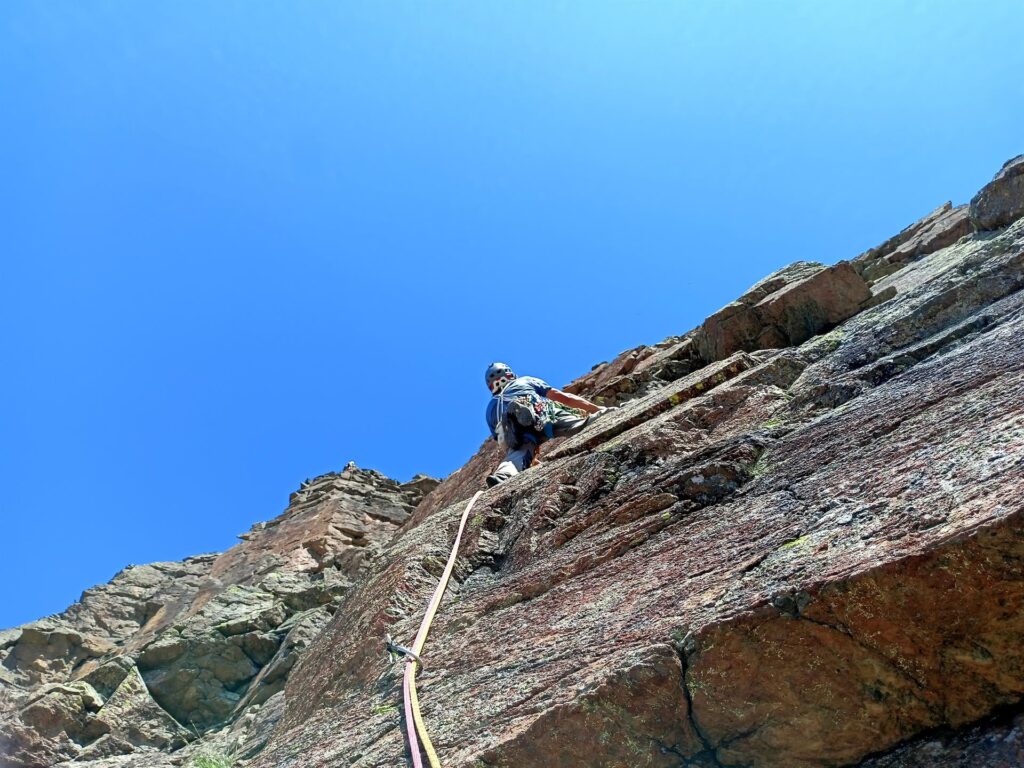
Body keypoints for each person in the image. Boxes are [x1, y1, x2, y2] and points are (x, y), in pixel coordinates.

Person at [484, 362, 610, 486]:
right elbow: (563, 397)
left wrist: (531, 459)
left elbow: (503, 443)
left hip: (518, 433)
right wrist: (595, 409)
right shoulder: (524, 381)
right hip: (543, 415)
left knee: (516, 453)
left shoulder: (490, 409)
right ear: (509, 374)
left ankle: (503, 475)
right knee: (579, 424)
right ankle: (608, 415)